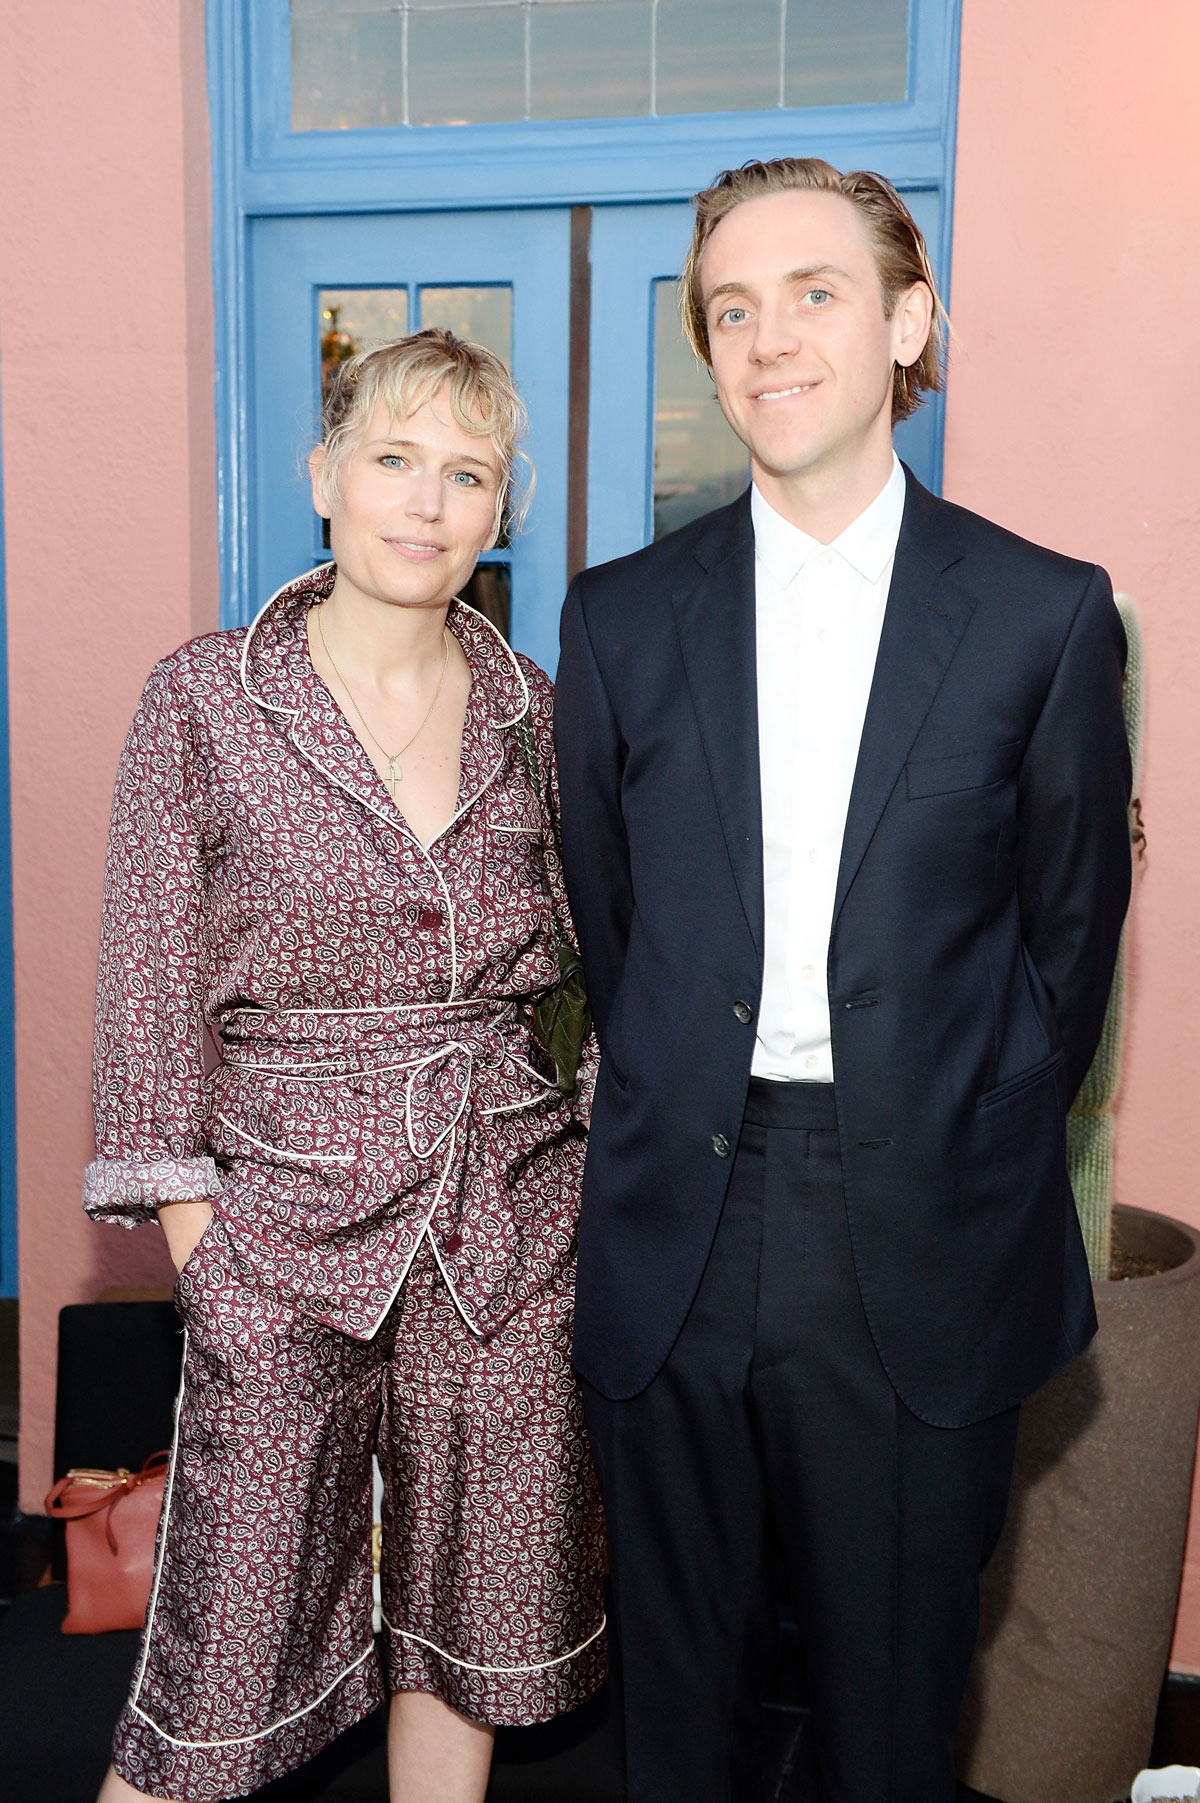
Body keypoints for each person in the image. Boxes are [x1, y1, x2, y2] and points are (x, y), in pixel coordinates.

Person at [554, 157, 1131, 1802]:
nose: (768, 338)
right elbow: (615, 925)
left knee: (890, 1727)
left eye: (813, 292)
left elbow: (1067, 950)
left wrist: (959, 1128)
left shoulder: (1041, 615)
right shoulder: (620, 621)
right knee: (672, 1721)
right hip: (677, 1231)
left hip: (923, 1235)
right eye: (731, 309)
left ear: (908, 323)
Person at [84, 328, 605, 1803]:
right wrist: (208, 1260)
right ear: (325, 477)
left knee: (466, 1627)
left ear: (502, 514)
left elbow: (589, 971)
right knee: (219, 1652)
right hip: (280, 1233)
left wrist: (588, 1165)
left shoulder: (538, 715)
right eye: (394, 460)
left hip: (506, 1234)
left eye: (468, 474)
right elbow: (147, 993)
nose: (426, 503)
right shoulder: (202, 702)